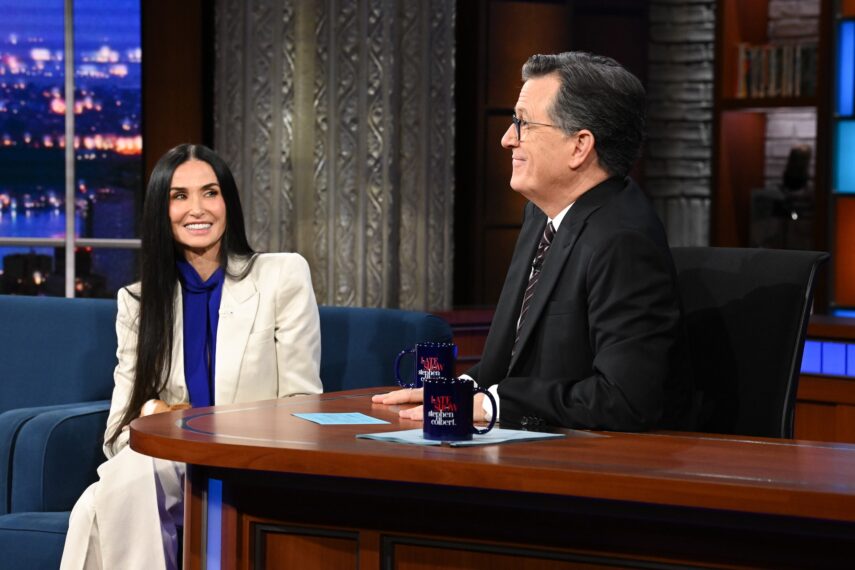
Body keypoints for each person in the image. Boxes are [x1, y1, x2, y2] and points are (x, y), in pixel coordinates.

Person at [374, 52, 693, 431]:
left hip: (589, 458)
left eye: (523, 124)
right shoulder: (540, 215)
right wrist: (458, 390)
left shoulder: (624, 240)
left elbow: (624, 399)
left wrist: (491, 405)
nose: (507, 139)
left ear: (579, 146)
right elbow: (504, 363)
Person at [60, 144, 323, 570]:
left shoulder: (281, 275)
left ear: (227, 202)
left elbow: (301, 404)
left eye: (210, 193)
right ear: (160, 211)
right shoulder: (138, 302)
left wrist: (184, 421)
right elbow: (118, 433)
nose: (197, 209)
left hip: (249, 460)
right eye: (179, 196)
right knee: (126, 479)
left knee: (94, 505)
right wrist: (155, 413)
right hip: (167, 468)